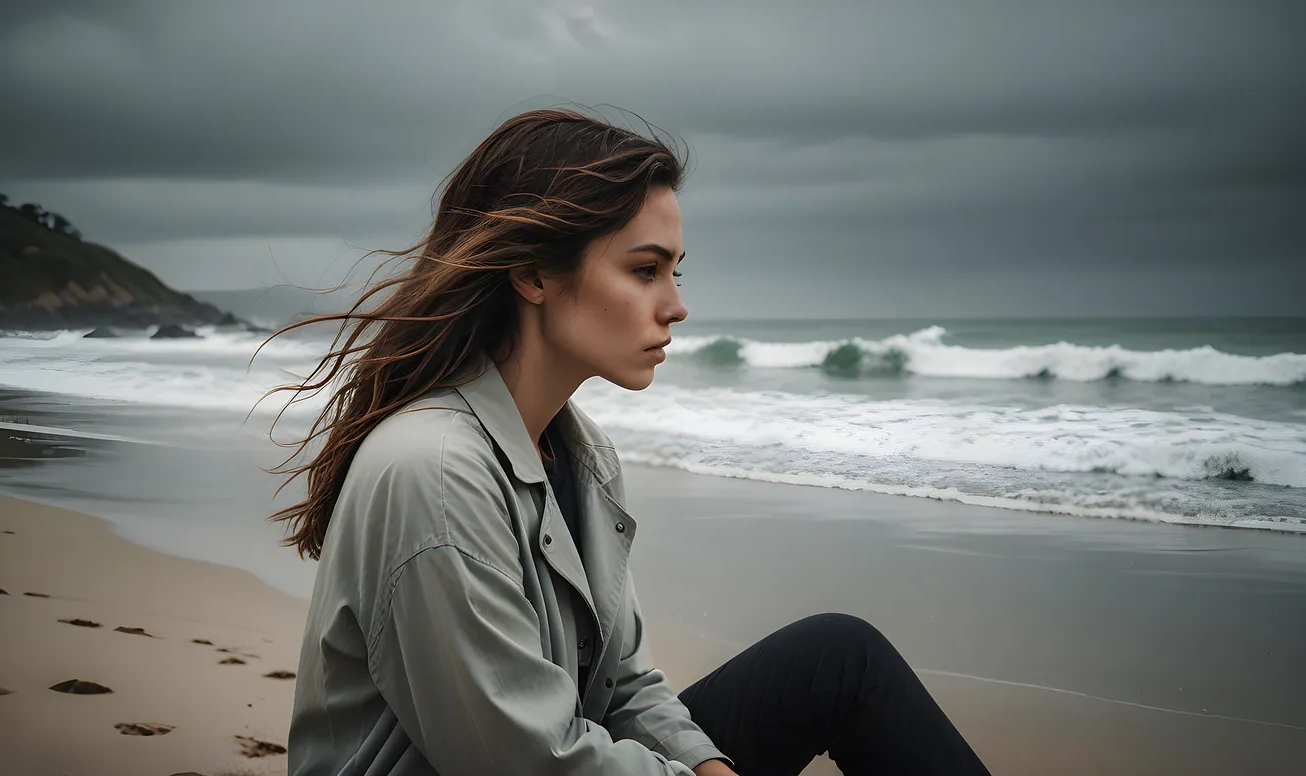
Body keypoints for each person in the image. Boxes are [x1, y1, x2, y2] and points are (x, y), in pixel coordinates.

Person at [266, 107, 992, 775]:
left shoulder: (581, 457)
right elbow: (525, 762)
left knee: (839, 656)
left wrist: (707, 767)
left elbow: (626, 685)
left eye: (674, 272)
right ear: (531, 271)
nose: (676, 306)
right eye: (644, 270)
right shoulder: (437, 468)